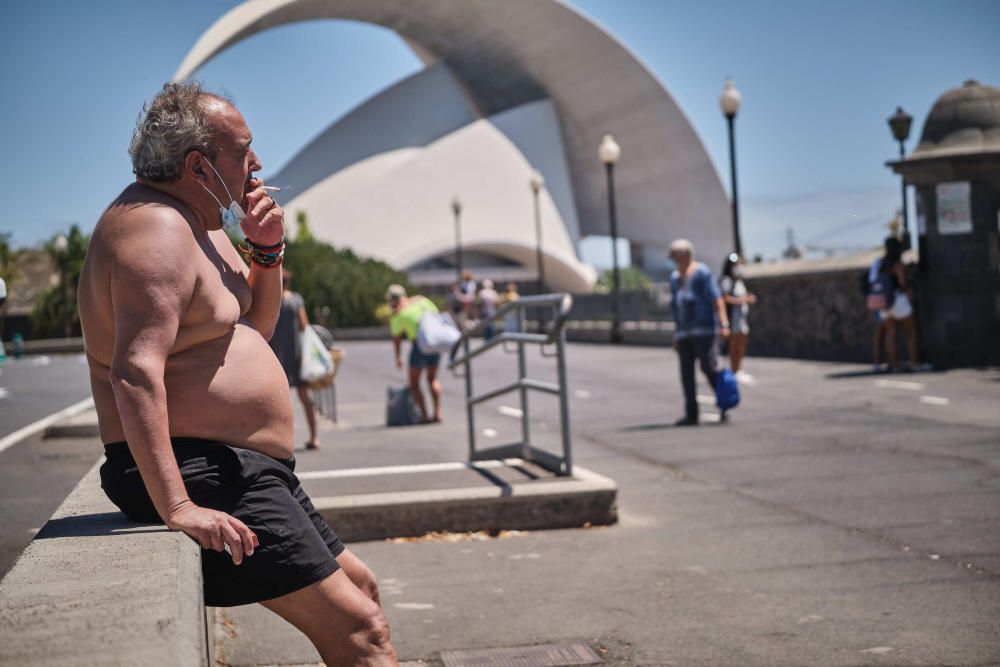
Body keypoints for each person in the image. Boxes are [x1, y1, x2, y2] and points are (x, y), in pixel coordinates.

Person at [77, 83, 396, 666]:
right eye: (244, 150)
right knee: (361, 630)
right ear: (199, 165)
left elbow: (255, 327)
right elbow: (133, 370)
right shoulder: (155, 229)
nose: (258, 164)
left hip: (244, 467)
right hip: (202, 470)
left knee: (365, 593)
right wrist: (177, 507)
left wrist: (267, 252)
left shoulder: (202, 226)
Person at [668, 239, 730, 426]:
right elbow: (675, 307)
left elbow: (716, 298)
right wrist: (676, 333)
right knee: (686, 374)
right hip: (684, 333)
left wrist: (723, 323)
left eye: (676, 256)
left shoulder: (702, 272)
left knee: (708, 367)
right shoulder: (675, 278)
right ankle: (691, 414)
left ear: (686, 254)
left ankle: (724, 401)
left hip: (704, 330)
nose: (674, 260)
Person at [268, 267, 320, 450]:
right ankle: (314, 436)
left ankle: (283, 441)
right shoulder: (296, 300)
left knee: (281, 400)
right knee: (305, 396)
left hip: (275, 354)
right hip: (297, 354)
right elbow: (304, 325)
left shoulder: (270, 299)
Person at [386, 284, 442, 423]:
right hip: (434, 343)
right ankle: (437, 413)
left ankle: (424, 414)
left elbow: (397, 338)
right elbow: (436, 314)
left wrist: (398, 357)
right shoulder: (423, 301)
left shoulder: (399, 313)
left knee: (414, 383)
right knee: (432, 379)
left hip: (419, 346)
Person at [877, 237, 920, 372]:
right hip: (898, 300)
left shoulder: (882, 263)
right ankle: (914, 362)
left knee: (890, 333)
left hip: (885, 302)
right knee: (911, 332)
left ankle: (892, 364)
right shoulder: (897, 263)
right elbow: (902, 282)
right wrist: (909, 291)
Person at [720, 253, 757, 383]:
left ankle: (738, 369)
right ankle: (733, 370)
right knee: (734, 344)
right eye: (736, 264)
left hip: (742, 317)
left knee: (742, 343)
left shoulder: (739, 281)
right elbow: (725, 298)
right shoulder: (727, 280)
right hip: (733, 317)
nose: (738, 266)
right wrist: (743, 299)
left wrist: (747, 299)